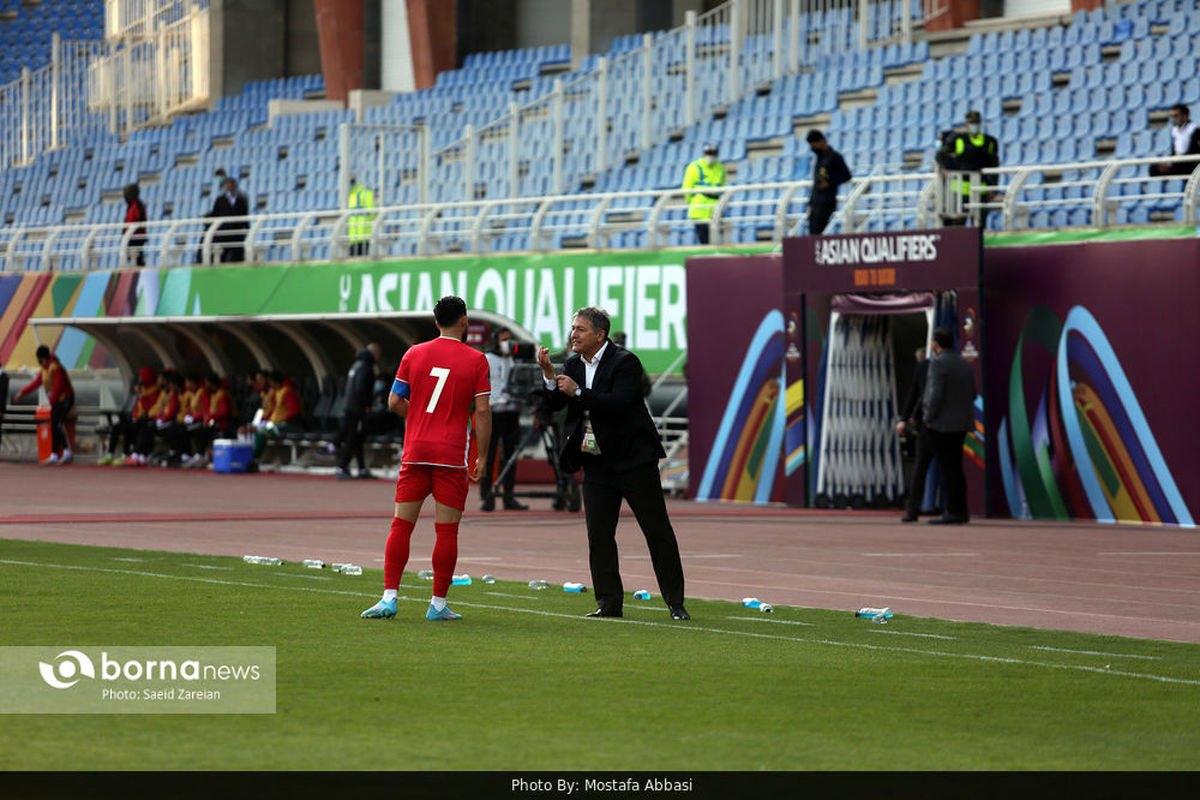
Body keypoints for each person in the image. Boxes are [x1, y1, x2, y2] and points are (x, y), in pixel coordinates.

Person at [537, 307, 689, 621]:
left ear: (600, 334)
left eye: (580, 329)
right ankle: (609, 604)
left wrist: (578, 391)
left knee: (656, 530)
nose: (573, 335)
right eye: (573, 328)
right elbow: (556, 406)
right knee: (599, 534)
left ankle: (676, 603)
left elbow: (619, 404)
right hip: (596, 462)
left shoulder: (625, 362)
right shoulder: (573, 364)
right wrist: (550, 378)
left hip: (634, 460)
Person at [361, 296, 492, 622]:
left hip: (416, 451)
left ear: (436, 323)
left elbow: (394, 402)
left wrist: (419, 417)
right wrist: (483, 454)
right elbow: (483, 411)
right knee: (446, 532)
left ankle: (389, 597)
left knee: (401, 525)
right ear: (464, 321)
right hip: (450, 456)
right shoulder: (477, 359)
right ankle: (437, 604)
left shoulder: (414, 353)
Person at [922, 327, 976, 525]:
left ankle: (953, 510)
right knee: (956, 467)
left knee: (947, 468)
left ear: (935, 344)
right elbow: (973, 394)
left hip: (942, 425)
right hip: (962, 423)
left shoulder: (938, 365)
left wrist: (928, 417)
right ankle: (961, 510)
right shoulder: (965, 364)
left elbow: (934, 396)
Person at [480, 328, 528, 511]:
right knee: (489, 455)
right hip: (493, 411)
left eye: (509, 339)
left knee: (510, 456)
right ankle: (486, 496)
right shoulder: (487, 359)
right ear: (495, 340)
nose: (506, 342)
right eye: (503, 339)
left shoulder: (516, 360)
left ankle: (508, 496)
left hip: (512, 411)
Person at [13, 345, 75, 465]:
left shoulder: (55, 367)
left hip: (65, 399)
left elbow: (58, 387)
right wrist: (22, 392)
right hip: (57, 400)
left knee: (56, 424)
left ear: (42, 358)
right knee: (54, 425)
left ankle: (64, 453)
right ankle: (56, 454)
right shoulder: (45, 368)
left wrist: (50, 402)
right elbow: (37, 382)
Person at [937, 110, 999, 228]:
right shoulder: (958, 140)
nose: (973, 125)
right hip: (960, 190)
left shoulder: (989, 142)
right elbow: (940, 155)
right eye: (971, 123)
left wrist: (994, 187)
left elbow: (994, 165)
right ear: (966, 124)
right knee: (958, 225)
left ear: (980, 123)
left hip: (981, 189)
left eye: (975, 122)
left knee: (980, 225)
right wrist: (944, 169)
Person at [896, 346, 933, 523]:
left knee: (920, 468)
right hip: (952, 427)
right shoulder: (962, 365)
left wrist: (905, 418)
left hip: (928, 424)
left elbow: (914, 394)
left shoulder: (924, 367)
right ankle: (958, 509)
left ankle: (913, 510)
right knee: (951, 469)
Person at [335, 343, 382, 480]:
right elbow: (361, 387)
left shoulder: (356, 365)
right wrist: (367, 405)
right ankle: (342, 467)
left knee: (358, 439)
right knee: (353, 438)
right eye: (379, 354)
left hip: (349, 406)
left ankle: (361, 468)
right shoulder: (367, 368)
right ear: (374, 353)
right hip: (358, 409)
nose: (380, 357)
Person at [805, 130, 852, 235]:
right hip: (816, 200)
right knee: (812, 231)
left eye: (814, 145)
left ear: (821, 141)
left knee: (817, 231)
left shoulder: (834, 157)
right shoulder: (819, 157)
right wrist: (810, 202)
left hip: (827, 201)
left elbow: (846, 175)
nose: (813, 148)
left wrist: (829, 183)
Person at [252, 371, 303, 461]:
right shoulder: (277, 392)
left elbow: (295, 410)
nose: (269, 384)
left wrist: (283, 420)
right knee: (256, 430)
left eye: (270, 381)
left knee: (261, 434)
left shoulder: (287, 391)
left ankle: (255, 457)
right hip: (276, 423)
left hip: (288, 424)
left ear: (274, 381)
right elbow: (274, 410)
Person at [681, 143, 725, 245]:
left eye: (713, 153)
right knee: (705, 240)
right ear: (704, 154)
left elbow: (722, 186)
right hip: (699, 209)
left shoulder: (720, 168)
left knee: (717, 240)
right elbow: (687, 188)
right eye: (708, 153)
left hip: (716, 208)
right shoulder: (694, 167)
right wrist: (694, 202)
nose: (711, 155)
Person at [205, 176, 249, 263]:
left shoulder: (242, 200)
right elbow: (216, 213)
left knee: (237, 255)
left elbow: (245, 215)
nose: (230, 186)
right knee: (222, 256)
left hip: (237, 232)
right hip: (223, 232)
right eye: (228, 184)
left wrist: (247, 228)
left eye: (232, 184)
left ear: (235, 186)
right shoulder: (220, 200)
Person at [1150, 103, 1200, 176]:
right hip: (1177, 162)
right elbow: (1175, 151)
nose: (1173, 118)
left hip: (1189, 163)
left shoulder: (1194, 129)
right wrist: (1168, 162)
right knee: (1154, 169)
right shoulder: (1175, 131)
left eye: (1176, 116)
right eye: (1172, 116)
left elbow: (1195, 151)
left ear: (1185, 116)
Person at [347, 176, 375, 257]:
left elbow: (373, 211)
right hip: (353, 236)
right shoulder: (350, 195)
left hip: (363, 234)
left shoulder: (364, 193)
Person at [123, 183, 148, 267]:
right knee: (133, 258)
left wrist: (130, 232)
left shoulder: (137, 205)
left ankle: (140, 271)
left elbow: (138, 220)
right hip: (132, 237)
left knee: (137, 258)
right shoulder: (132, 205)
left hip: (136, 237)